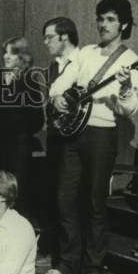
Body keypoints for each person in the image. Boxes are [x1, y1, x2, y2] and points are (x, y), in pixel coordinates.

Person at [42, 0, 138, 274]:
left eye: (111, 19)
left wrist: (125, 86)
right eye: (100, 19)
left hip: (102, 134)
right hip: (73, 133)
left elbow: (129, 109)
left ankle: (94, 266)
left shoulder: (131, 61)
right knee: (65, 198)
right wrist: (58, 97)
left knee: (94, 201)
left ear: (123, 24)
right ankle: (68, 264)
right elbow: (61, 83)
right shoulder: (86, 52)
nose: (103, 25)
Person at [0, 36, 45, 220]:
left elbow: (37, 119)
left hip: (19, 147)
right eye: (5, 52)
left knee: (17, 194)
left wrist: (20, 131)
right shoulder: (0, 80)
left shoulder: (29, 81)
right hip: (0, 147)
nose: (6, 56)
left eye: (12, 53)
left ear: (22, 57)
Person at [40, 16, 80, 251]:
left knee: (69, 199)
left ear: (65, 37)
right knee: (53, 194)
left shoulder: (82, 61)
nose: (46, 42)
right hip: (56, 135)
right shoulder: (53, 67)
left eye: (49, 37)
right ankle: (57, 250)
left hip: (76, 138)